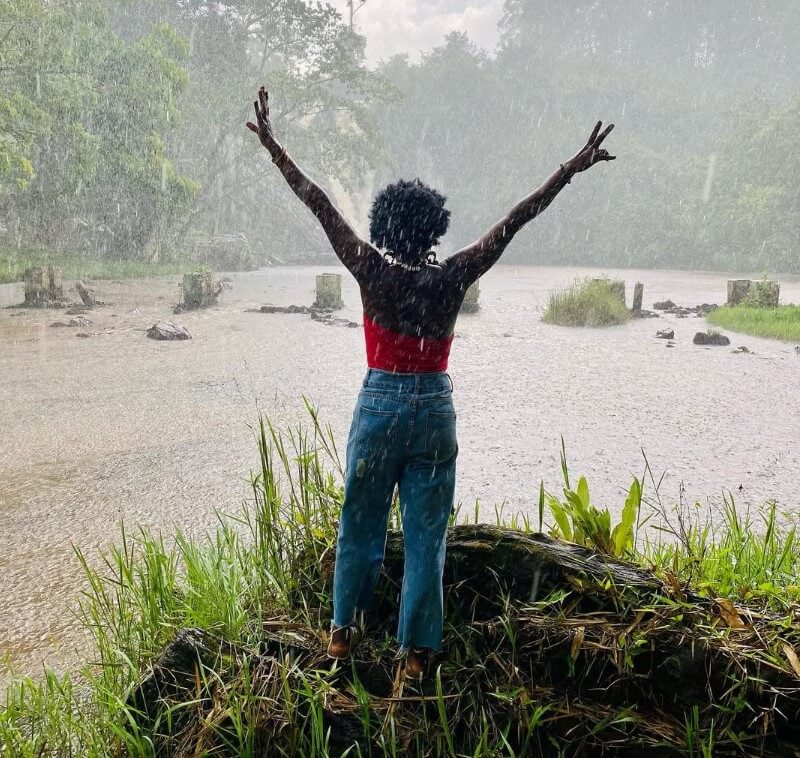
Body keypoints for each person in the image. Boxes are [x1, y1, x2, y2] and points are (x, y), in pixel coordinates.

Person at [246, 85, 615, 680]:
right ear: (434, 229)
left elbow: (316, 203)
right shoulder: (455, 275)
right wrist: (570, 169)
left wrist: (273, 147)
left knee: (361, 521)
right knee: (425, 537)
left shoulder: (368, 268)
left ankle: (342, 636)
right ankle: (416, 657)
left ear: (385, 227)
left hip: (381, 403)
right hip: (434, 409)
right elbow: (517, 218)